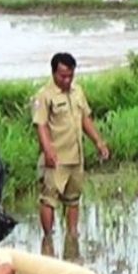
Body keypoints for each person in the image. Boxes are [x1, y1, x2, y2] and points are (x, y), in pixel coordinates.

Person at [32, 52, 110, 239]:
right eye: (63, 76)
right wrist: (48, 150)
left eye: (70, 75)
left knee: (73, 200)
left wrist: (98, 142)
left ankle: (72, 236)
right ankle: (48, 238)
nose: (67, 80)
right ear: (53, 73)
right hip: (56, 158)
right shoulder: (44, 95)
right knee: (49, 199)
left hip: (76, 156)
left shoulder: (78, 91)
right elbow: (40, 124)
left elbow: (85, 119)